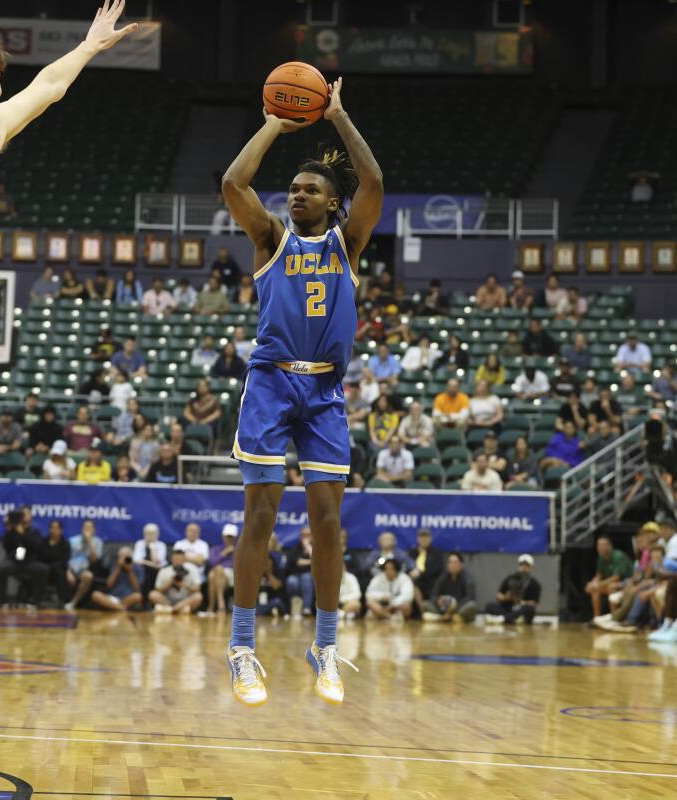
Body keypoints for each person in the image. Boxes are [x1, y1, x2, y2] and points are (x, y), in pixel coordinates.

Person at [220, 80, 383, 706]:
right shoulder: (270, 239)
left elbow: (373, 185)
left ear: (333, 206)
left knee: (327, 521)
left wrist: (338, 117)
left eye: (310, 189)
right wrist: (270, 124)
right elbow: (235, 184)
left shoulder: (348, 243)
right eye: (293, 187)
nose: (296, 193)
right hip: (270, 380)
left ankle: (325, 644)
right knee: (260, 513)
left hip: (325, 391)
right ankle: (241, 647)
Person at [584, 535, 632, 619]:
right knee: (595, 590)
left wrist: (599, 584)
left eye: (602, 545)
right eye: (598, 545)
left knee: (611, 587)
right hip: (612, 584)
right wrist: (593, 583)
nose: (599, 547)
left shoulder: (618, 556)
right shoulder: (601, 557)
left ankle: (615, 618)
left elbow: (616, 577)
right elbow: (599, 575)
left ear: (609, 545)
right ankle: (596, 618)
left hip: (626, 583)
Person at [484, 554, 541, 624]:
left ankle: (503, 618)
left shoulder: (535, 584)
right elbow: (498, 595)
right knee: (489, 606)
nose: (524, 568)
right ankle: (512, 619)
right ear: (518, 566)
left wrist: (521, 602)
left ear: (532, 568)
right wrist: (506, 597)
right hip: (508, 608)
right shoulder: (510, 579)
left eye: (527, 566)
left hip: (521, 609)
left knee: (529, 609)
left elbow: (534, 604)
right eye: (522, 565)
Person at [421, 553, 477, 623]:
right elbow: (433, 594)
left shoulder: (467, 578)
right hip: (443, 608)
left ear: (461, 564)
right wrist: (438, 600)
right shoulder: (443, 577)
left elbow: (470, 597)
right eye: (450, 562)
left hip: (459, 608)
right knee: (425, 604)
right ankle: (447, 618)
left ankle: (449, 617)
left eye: (455, 563)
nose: (452, 565)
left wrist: (456, 606)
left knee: (471, 606)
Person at [90, 545, 145, 612]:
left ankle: (115, 608)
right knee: (95, 595)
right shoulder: (115, 566)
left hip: (128, 598)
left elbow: (137, 588)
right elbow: (109, 585)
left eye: (126, 558)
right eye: (120, 557)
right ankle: (121, 608)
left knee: (138, 596)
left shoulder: (138, 568)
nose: (123, 560)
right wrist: (118, 568)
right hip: (113, 597)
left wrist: (130, 571)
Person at [150, 549, 204, 614]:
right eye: (176, 559)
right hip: (167, 600)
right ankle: (179, 610)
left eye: (180, 559)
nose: (178, 561)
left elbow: (197, 589)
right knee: (153, 594)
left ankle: (172, 610)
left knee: (198, 596)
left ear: (184, 559)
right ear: (172, 559)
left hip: (186, 600)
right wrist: (170, 583)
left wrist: (185, 585)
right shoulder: (164, 571)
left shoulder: (192, 569)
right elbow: (157, 589)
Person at [64, 519, 103, 610]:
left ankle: (73, 602)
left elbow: (94, 560)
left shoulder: (97, 542)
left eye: (89, 528)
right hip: (70, 569)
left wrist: (89, 542)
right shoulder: (72, 541)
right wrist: (68, 572)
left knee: (88, 576)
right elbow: (65, 559)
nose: (87, 530)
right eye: (85, 527)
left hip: (85, 570)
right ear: (81, 529)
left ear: (94, 530)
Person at [203, 523, 240, 617]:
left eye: (231, 537)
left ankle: (213, 607)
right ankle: (220, 605)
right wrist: (224, 553)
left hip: (233, 575)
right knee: (215, 572)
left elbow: (241, 565)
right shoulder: (216, 549)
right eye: (227, 537)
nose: (229, 539)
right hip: (218, 573)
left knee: (213, 574)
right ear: (223, 536)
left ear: (235, 537)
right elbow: (211, 563)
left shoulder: (239, 549)